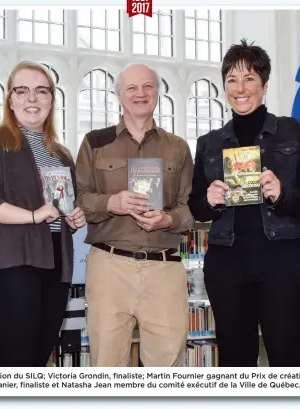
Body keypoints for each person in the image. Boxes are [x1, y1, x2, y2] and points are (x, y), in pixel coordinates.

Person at [187, 39, 300, 367]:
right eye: (232, 79)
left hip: (286, 265)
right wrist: (209, 201)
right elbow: (195, 205)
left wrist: (283, 195)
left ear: (264, 85)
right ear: (224, 87)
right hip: (228, 267)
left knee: (287, 360)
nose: (240, 88)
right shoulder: (208, 144)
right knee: (236, 363)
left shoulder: (295, 132)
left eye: (249, 78)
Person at [75, 63, 195, 367]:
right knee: (107, 367)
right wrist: (111, 203)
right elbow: (78, 199)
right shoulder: (94, 142)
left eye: (148, 87)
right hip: (108, 268)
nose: (140, 94)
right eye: (131, 88)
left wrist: (167, 220)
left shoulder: (178, 148)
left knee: (167, 369)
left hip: (164, 269)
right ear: (118, 95)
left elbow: (190, 208)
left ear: (158, 93)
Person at [0, 61, 86, 367]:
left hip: (55, 264)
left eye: (41, 91)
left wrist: (74, 219)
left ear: (52, 98)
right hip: (11, 262)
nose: (32, 99)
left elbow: (62, 208)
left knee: (37, 361)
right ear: (10, 99)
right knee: (18, 362)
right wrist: (33, 216)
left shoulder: (61, 153)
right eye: (22, 91)